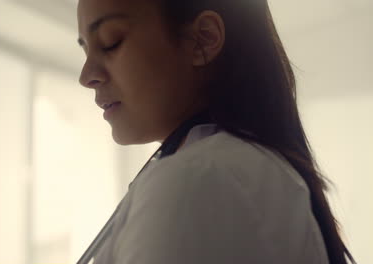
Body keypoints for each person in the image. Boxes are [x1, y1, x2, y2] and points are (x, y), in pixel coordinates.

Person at [76, 0, 356, 263]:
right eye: (85, 50)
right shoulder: (237, 170)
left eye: (110, 42)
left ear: (202, 40)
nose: (86, 76)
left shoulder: (199, 177)